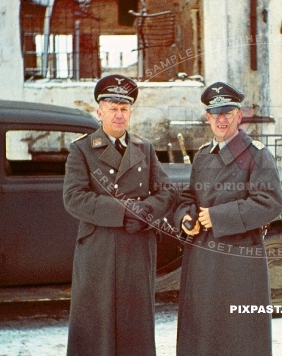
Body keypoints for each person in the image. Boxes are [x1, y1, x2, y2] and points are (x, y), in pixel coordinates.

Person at [63, 74, 176, 356]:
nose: (118, 114)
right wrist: (123, 211)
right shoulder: (82, 150)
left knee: (134, 318)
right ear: (99, 111)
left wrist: (146, 210)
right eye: (112, 107)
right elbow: (74, 198)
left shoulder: (144, 148)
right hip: (99, 246)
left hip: (137, 246)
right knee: (96, 319)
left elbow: (168, 191)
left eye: (124, 108)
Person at [173, 82, 282, 356]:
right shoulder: (202, 156)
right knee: (202, 330)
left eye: (228, 113)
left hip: (239, 258)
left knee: (238, 333)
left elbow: (269, 203)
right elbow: (189, 197)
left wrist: (218, 217)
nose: (221, 120)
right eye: (215, 114)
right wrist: (186, 217)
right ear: (208, 117)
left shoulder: (257, 155)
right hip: (202, 257)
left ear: (239, 116)